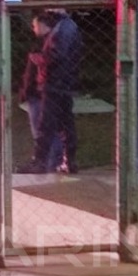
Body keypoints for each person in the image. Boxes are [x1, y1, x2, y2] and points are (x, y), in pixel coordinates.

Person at [18, 9, 82, 174]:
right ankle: (68, 161)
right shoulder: (67, 27)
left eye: (34, 25)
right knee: (64, 125)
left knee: (46, 125)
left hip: (55, 84)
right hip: (62, 84)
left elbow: (56, 55)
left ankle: (40, 162)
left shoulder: (63, 29)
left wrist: (39, 59)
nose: (34, 29)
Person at [18, 13, 63, 172]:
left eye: (35, 25)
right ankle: (44, 163)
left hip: (42, 95)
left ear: (44, 26)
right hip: (37, 94)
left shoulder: (51, 43)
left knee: (43, 132)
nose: (33, 28)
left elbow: (51, 66)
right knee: (42, 132)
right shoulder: (43, 43)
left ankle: (50, 165)